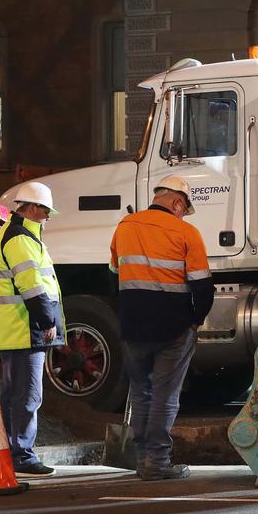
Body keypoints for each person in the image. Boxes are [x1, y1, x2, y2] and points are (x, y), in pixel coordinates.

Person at [110, 175, 215, 480]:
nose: (183, 213)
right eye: (184, 208)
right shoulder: (186, 232)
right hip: (173, 328)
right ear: (177, 202)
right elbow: (203, 288)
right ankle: (156, 462)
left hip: (132, 324)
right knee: (165, 395)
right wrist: (196, 319)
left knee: (141, 391)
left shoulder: (125, 226)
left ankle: (142, 459)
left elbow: (114, 274)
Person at [0, 180, 64, 477]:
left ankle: (13, 452)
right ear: (32, 208)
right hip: (25, 328)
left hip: (15, 328)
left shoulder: (16, 235)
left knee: (15, 395)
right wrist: (48, 322)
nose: (47, 217)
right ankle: (22, 456)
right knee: (28, 396)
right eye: (45, 211)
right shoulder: (20, 239)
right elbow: (32, 287)